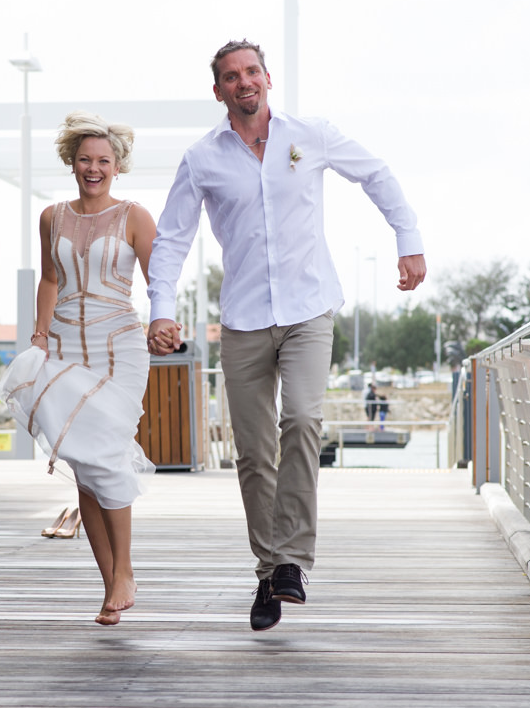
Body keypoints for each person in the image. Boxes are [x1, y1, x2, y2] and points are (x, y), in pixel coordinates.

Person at [146, 40, 426, 632]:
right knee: (253, 453)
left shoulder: (311, 134)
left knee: (301, 419)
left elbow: (376, 173)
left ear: (267, 78)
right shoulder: (203, 159)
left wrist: (409, 241)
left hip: (308, 309)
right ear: (218, 90)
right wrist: (161, 310)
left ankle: (293, 560)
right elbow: (172, 238)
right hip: (244, 320)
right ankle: (268, 572)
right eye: (231, 76)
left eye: (252, 71)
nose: (243, 82)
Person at [0, 111, 158, 627]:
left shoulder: (135, 216)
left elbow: (162, 280)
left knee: (107, 451)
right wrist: (40, 332)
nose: (94, 168)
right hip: (66, 344)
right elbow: (49, 278)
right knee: (86, 471)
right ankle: (110, 584)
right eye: (85, 160)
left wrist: (167, 322)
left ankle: (127, 572)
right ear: (73, 163)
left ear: (118, 166)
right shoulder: (51, 217)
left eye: (104, 161)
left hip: (121, 348)